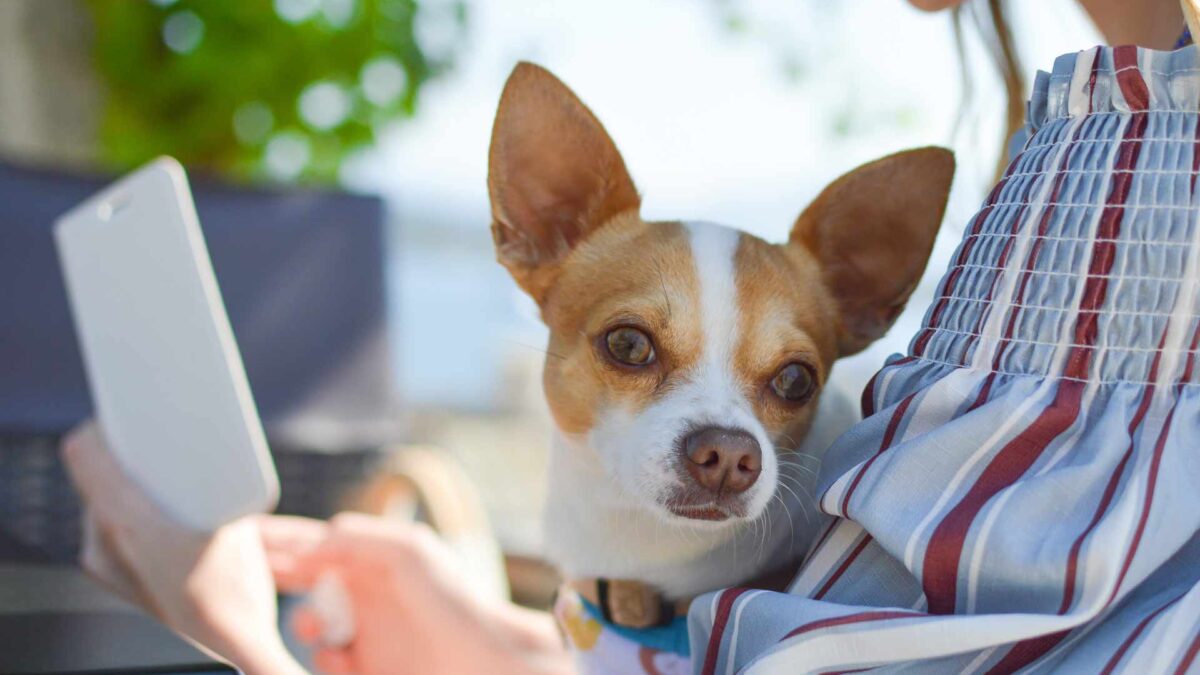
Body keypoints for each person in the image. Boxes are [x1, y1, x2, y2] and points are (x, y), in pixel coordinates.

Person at [63, 0, 1200, 672]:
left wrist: (240, 649)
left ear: (857, 315)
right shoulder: (1087, 161)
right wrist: (510, 646)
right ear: (536, 239)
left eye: (786, 383)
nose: (728, 440)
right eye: (634, 347)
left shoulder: (1156, 199)